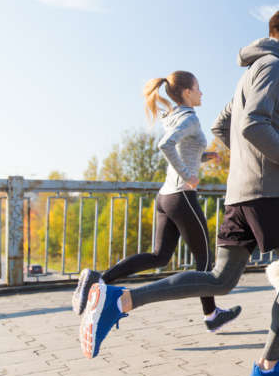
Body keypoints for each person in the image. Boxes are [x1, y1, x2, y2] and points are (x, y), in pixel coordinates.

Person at [79, 8, 279, 376]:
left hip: (239, 194)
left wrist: (248, 161)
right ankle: (267, 367)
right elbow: (252, 126)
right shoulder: (276, 68)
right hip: (273, 194)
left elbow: (222, 126)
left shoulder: (249, 74)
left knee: (220, 280)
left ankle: (121, 300)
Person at [72, 71, 241, 333]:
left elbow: (183, 149)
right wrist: (189, 175)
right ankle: (211, 315)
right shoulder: (189, 118)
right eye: (198, 88)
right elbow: (166, 144)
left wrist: (205, 157)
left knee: (160, 256)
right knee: (205, 259)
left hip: (166, 197)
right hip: (182, 196)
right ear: (187, 92)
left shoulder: (173, 115)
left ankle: (99, 279)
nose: (201, 93)